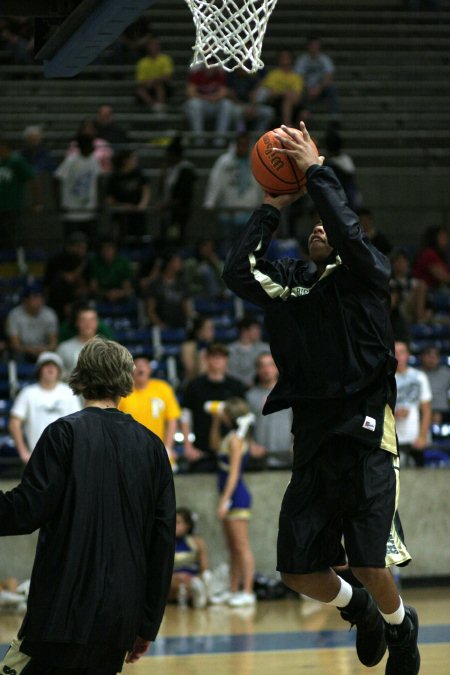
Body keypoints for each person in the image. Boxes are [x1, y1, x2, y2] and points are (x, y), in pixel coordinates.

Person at [222, 122, 420, 673]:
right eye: (310, 223)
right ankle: (361, 609)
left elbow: (350, 236)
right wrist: (269, 206)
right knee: (296, 570)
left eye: (324, 223)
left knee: (367, 559)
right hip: (311, 435)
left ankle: (402, 628)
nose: (316, 228)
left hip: (362, 434)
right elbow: (237, 271)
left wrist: (314, 172)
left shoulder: (367, 274)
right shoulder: (293, 283)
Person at [0, 336, 176, 673]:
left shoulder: (63, 434)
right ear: (126, 381)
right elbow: (162, 541)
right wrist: (147, 624)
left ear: (79, 375)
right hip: (120, 618)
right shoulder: (153, 447)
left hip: (61, 611)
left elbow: (23, 512)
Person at [209, 397, 256, 607]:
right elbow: (213, 444)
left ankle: (248, 591)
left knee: (242, 546)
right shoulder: (231, 436)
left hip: (236, 496)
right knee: (232, 547)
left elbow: (234, 473)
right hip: (229, 495)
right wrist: (216, 420)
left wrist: (224, 500)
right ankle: (233, 589)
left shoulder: (238, 440)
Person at [182, 343, 246, 473]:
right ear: (206, 359)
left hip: (231, 450)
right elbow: (185, 416)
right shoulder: (194, 386)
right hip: (201, 451)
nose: (217, 360)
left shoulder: (236, 386)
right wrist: (188, 446)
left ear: (226, 360)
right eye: (213, 356)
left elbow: (244, 418)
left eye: (221, 356)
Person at [9, 351, 81, 464]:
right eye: (46, 365)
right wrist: (23, 452)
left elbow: (78, 424)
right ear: (39, 370)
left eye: (54, 366)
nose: (50, 369)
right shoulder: (28, 393)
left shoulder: (69, 393)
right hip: (36, 458)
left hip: (65, 458)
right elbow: (14, 423)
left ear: (59, 370)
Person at [118, 355, 182, 468]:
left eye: (143, 365)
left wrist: (168, 447)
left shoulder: (163, 388)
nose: (140, 368)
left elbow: (172, 419)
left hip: (158, 452)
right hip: (130, 454)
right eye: (136, 365)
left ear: (150, 369)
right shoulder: (122, 392)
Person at [203, 132, 263, 244]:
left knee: (247, 246)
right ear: (235, 144)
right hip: (228, 213)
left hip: (249, 213)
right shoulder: (224, 162)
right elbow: (216, 182)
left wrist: (263, 205)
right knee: (228, 245)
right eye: (240, 144)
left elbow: (260, 186)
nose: (242, 147)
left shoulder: (256, 162)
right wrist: (210, 202)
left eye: (245, 144)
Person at [246, 352, 293, 469]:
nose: (266, 369)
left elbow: (300, 421)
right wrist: (250, 445)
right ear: (257, 370)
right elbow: (245, 425)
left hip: (288, 455)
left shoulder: (291, 394)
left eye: (271, 365)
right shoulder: (250, 396)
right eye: (262, 366)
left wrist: (296, 444)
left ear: (278, 368)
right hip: (259, 457)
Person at [54, 133, 104, 241]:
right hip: (72, 211)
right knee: (72, 242)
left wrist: (100, 202)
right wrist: (58, 203)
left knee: (91, 242)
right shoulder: (71, 161)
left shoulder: (94, 160)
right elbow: (57, 179)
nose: (93, 147)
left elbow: (99, 180)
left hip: (89, 211)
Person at [395, 340, 432, 468]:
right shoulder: (386, 379)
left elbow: (426, 410)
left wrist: (422, 436)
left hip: (414, 437)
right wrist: (394, 413)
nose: (398, 356)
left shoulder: (419, 376)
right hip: (393, 438)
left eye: (401, 352)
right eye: (395, 353)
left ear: (408, 355)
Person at [155, 136, 197, 244]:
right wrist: (162, 174)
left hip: (180, 214)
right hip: (168, 214)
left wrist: (166, 205)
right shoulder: (169, 170)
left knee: (177, 241)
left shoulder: (186, 170)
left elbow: (183, 196)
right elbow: (161, 189)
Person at [0, 135, 40, 247]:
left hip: (12, 207)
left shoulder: (16, 161)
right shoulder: (1, 162)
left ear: (4, 147)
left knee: (11, 238)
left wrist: (36, 202)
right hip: (1, 208)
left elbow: (34, 179)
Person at [105, 149, 151, 242]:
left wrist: (142, 205)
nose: (135, 161)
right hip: (121, 215)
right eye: (133, 158)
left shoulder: (138, 173)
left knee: (138, 239)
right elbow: (109, 199)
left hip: (137, 213)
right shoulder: (115, 177)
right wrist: (124, 206)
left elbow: (146, 189)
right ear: (125, 160)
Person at [184, 64, 236, 145]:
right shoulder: (197, 74)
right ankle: (199, 139)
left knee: (227, 104)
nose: (210, 67)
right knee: (193, 104)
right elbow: (190, 93)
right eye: (208, 64)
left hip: (215, 104)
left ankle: (220, 139)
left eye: (213, 64)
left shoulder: (220, 75)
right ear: (204, 66)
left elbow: (224, 92)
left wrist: (214, 97)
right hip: (201, 104)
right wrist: (205, 97)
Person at [6, 282, 58, 361]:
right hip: (22, 352)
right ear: (25, 300)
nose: (38, 300)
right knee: (16, 357)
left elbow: (53, 344)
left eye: (40, 297)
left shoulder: (50, 314)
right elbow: (15, 345)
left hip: (44, 351)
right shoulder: (14, 315)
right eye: (34, 297)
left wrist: (44, 349)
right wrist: (31, 350)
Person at [170, 507, 210, 609]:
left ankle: (197, 597)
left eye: (178, 523)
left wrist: (195, 578)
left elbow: (204, 568)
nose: (174, 525)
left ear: (187, 526)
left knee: (206, 577)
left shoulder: (196, 541)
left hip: (192, 579)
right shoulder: (165, 541)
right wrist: (175, 576)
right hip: (173, 580)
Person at [144, 249, 193, 329]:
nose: (180, 264)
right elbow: (150, 311)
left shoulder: (182, 284)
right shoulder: (155, 284)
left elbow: (186, 308)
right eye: (177, 261)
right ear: (169, 264)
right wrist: (160, 325)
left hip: (179, 326)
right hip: (159, 327)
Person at [294, 36, 340, 117]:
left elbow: (329, 75)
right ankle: (303, 113)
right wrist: (308, 88)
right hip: (306, 88)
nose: (314, 48)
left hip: (321, 88)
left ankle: (334, 116)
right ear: (308, 46)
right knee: (297, 90)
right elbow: (298, 77)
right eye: (312, 45)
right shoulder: (302, 60)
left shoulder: (324, 59)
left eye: (316, 45)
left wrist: (319, 88)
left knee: (332, 89)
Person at [256, 50, 304, 126]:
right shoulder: (273, 75)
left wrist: (285, 93)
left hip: (293, 104)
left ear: (291, 60)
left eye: (287, 58)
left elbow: (297, 96)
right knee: (286, 98)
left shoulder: (296, 77)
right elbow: (270, 94)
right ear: (279, 60)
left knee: (304, 113)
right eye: (283, 58)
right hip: (275, 103)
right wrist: (284, 93)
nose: (285, 60)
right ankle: (287, 126)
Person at [226, 67, 275, 133]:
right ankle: (240, 136)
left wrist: (253, 107)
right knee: (236, 112)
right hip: (237, 106)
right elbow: (231, 95)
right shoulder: (231, 78)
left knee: (268, 112)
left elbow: (253, 94)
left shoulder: (250, 79)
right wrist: (243, 107)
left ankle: (258, 137)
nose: (242, 69)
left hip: (250, 106)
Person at [57, 305, 102, 376]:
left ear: (97, 323)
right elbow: (58, 375)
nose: (88, 323)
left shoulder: (107, 348)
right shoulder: (64, 348)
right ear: (77, 322)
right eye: (83, 320)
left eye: (92, 320)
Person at [227, 316, 270, 389]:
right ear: (244, 331)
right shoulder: (230, 350)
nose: (259, 331)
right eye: (255, 329)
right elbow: (229, 372)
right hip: (236, 388)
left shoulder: (265, 348)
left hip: (261, 388)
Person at [88, 238, 134, 304]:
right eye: (104, 249)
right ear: (101, 250)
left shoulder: (123, 262)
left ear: (115, 250)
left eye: (110, 248)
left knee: (131, 296)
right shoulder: (95, 262)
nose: (107, 252)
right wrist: (107, 294)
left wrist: (119, 294)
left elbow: (127, 286)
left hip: (120, 294)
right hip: (102, 295)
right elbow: (93, 287)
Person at [134, 37, 174, 112]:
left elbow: (167, 77)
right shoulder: (142, 62)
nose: (153, 47)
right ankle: (154, 106)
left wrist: (154, 80)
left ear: (158, 46)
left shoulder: (165, 59)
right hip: (148, 86)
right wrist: (150, 82)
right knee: (140, 90)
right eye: (151, 45)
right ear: (147, 48)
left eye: (155, 45)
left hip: (163, 86)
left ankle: (160, 103)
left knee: (158, 85)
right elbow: (140, 81)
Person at [418, 344, 450, 423]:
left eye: (435, 356)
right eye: (429, 356)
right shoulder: (415, 374)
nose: (432, 359)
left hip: (443, 413)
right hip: (419, 412)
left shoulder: (447, 373)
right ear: (422, 357)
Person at [180, 315, 216, 384]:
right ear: (199, 330)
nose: (212, 332)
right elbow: (190, 369)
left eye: (212, 328)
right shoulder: (188, 347)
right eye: (209, 328)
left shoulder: (216, 346)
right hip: (194, 382)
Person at [413, 224, 450, 290]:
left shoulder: (441, 255)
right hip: (427, 292)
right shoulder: (429, 254)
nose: (446, 239)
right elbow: (442, 277)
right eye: (442, 236)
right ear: (434, 238)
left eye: (446, 236)